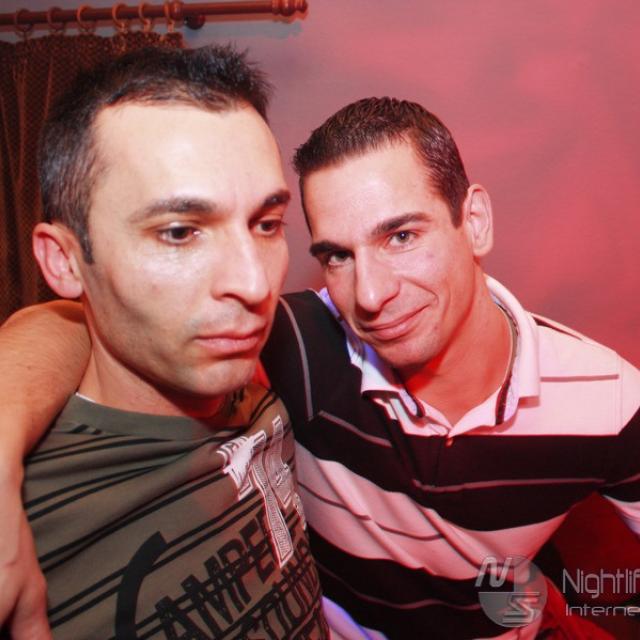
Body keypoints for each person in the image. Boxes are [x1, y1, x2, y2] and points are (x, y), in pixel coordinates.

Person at [1, 97, 639, 639]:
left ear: (473, 222)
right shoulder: (301, 342)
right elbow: (88, 322)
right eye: (337, 256)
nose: (370, 294)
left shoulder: (610, 400)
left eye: (401, 236)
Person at [0, 45, 328, 640]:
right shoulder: (23, 514)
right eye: (179, 232)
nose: (255, 284)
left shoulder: (263, 382)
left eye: (266, 224)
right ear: (65, 261)